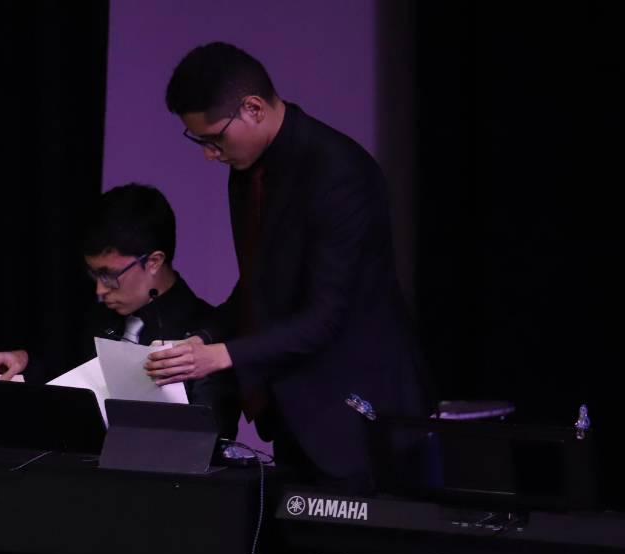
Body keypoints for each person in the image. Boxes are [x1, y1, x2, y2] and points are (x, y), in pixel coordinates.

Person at [148, 42, 431, 492]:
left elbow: (326, 317)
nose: (209, 154)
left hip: (356, 412)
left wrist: (218, 356)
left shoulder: (339, 173)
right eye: (198, 141)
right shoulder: (247, 168)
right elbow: (262, 284)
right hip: (294, 407)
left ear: (253, 108)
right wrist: (201, 339)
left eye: (214, 139)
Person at [0, 182, 239, 438]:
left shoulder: (207, 334)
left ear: (153, 262)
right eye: (94, 274)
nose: (100, 291)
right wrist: (25, 364)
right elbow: (69, 382)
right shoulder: (97, 320)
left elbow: (213, 438)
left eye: (109, 276)